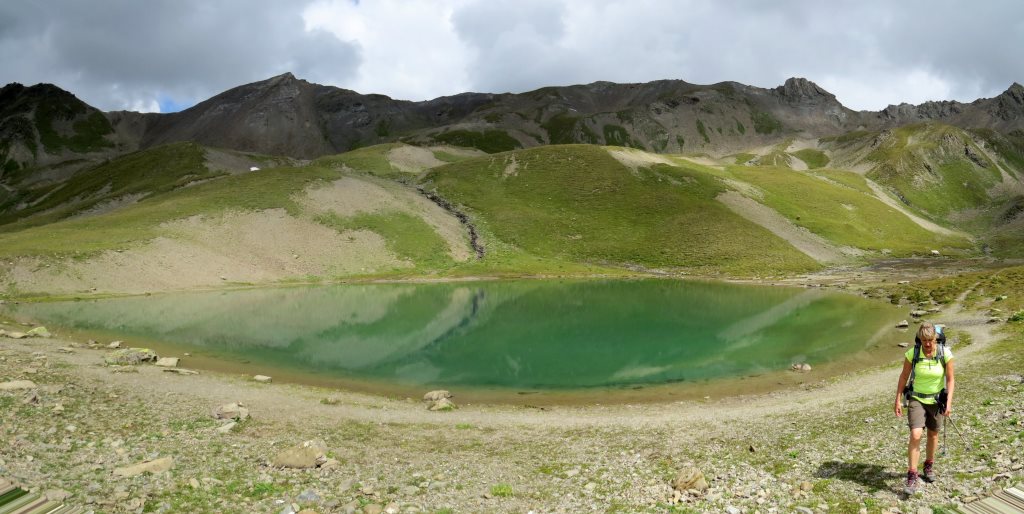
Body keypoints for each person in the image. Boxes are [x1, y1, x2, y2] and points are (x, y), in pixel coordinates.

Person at [893, 322, 955, 495]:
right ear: (920, 339)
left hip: (936, 401)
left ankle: (928, 465)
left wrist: (948, 402)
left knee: (933, 434)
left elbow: (950, 379)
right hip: (917, 399)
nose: (927, 344)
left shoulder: (945, 354)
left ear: (936, 339)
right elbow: (904, 376)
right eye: (924, 340)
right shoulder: (912, 353)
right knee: (916, 434)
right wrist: (897, 399)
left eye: (931, 340)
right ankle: (912, 474)